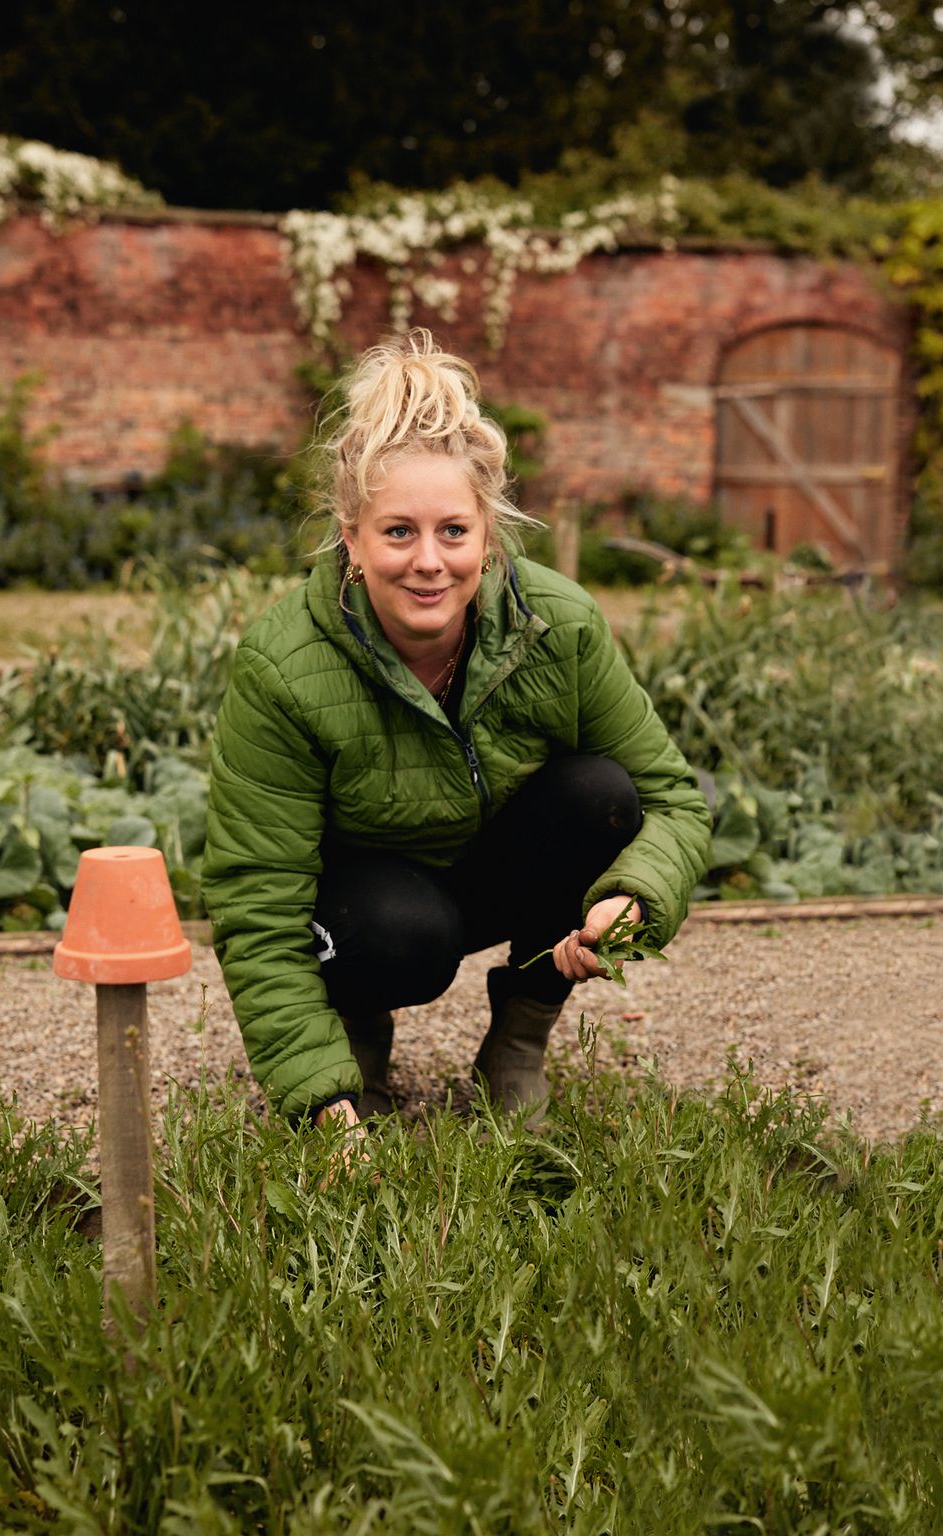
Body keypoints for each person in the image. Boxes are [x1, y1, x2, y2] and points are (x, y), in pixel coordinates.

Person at [202, 330, 711, 1143]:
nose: (429, 562)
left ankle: (517, 1042)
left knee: (600, 797)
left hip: (489, 873)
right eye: (398, 532)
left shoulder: (561, 625)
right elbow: (256, 896)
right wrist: (313, 1094)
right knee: (398, 936)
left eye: (454, 532)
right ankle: (355, 1043)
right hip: (369, 907)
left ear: (489, 534)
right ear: (351, 538)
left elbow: (672, 800)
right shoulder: (284, 666)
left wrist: (634, 898)